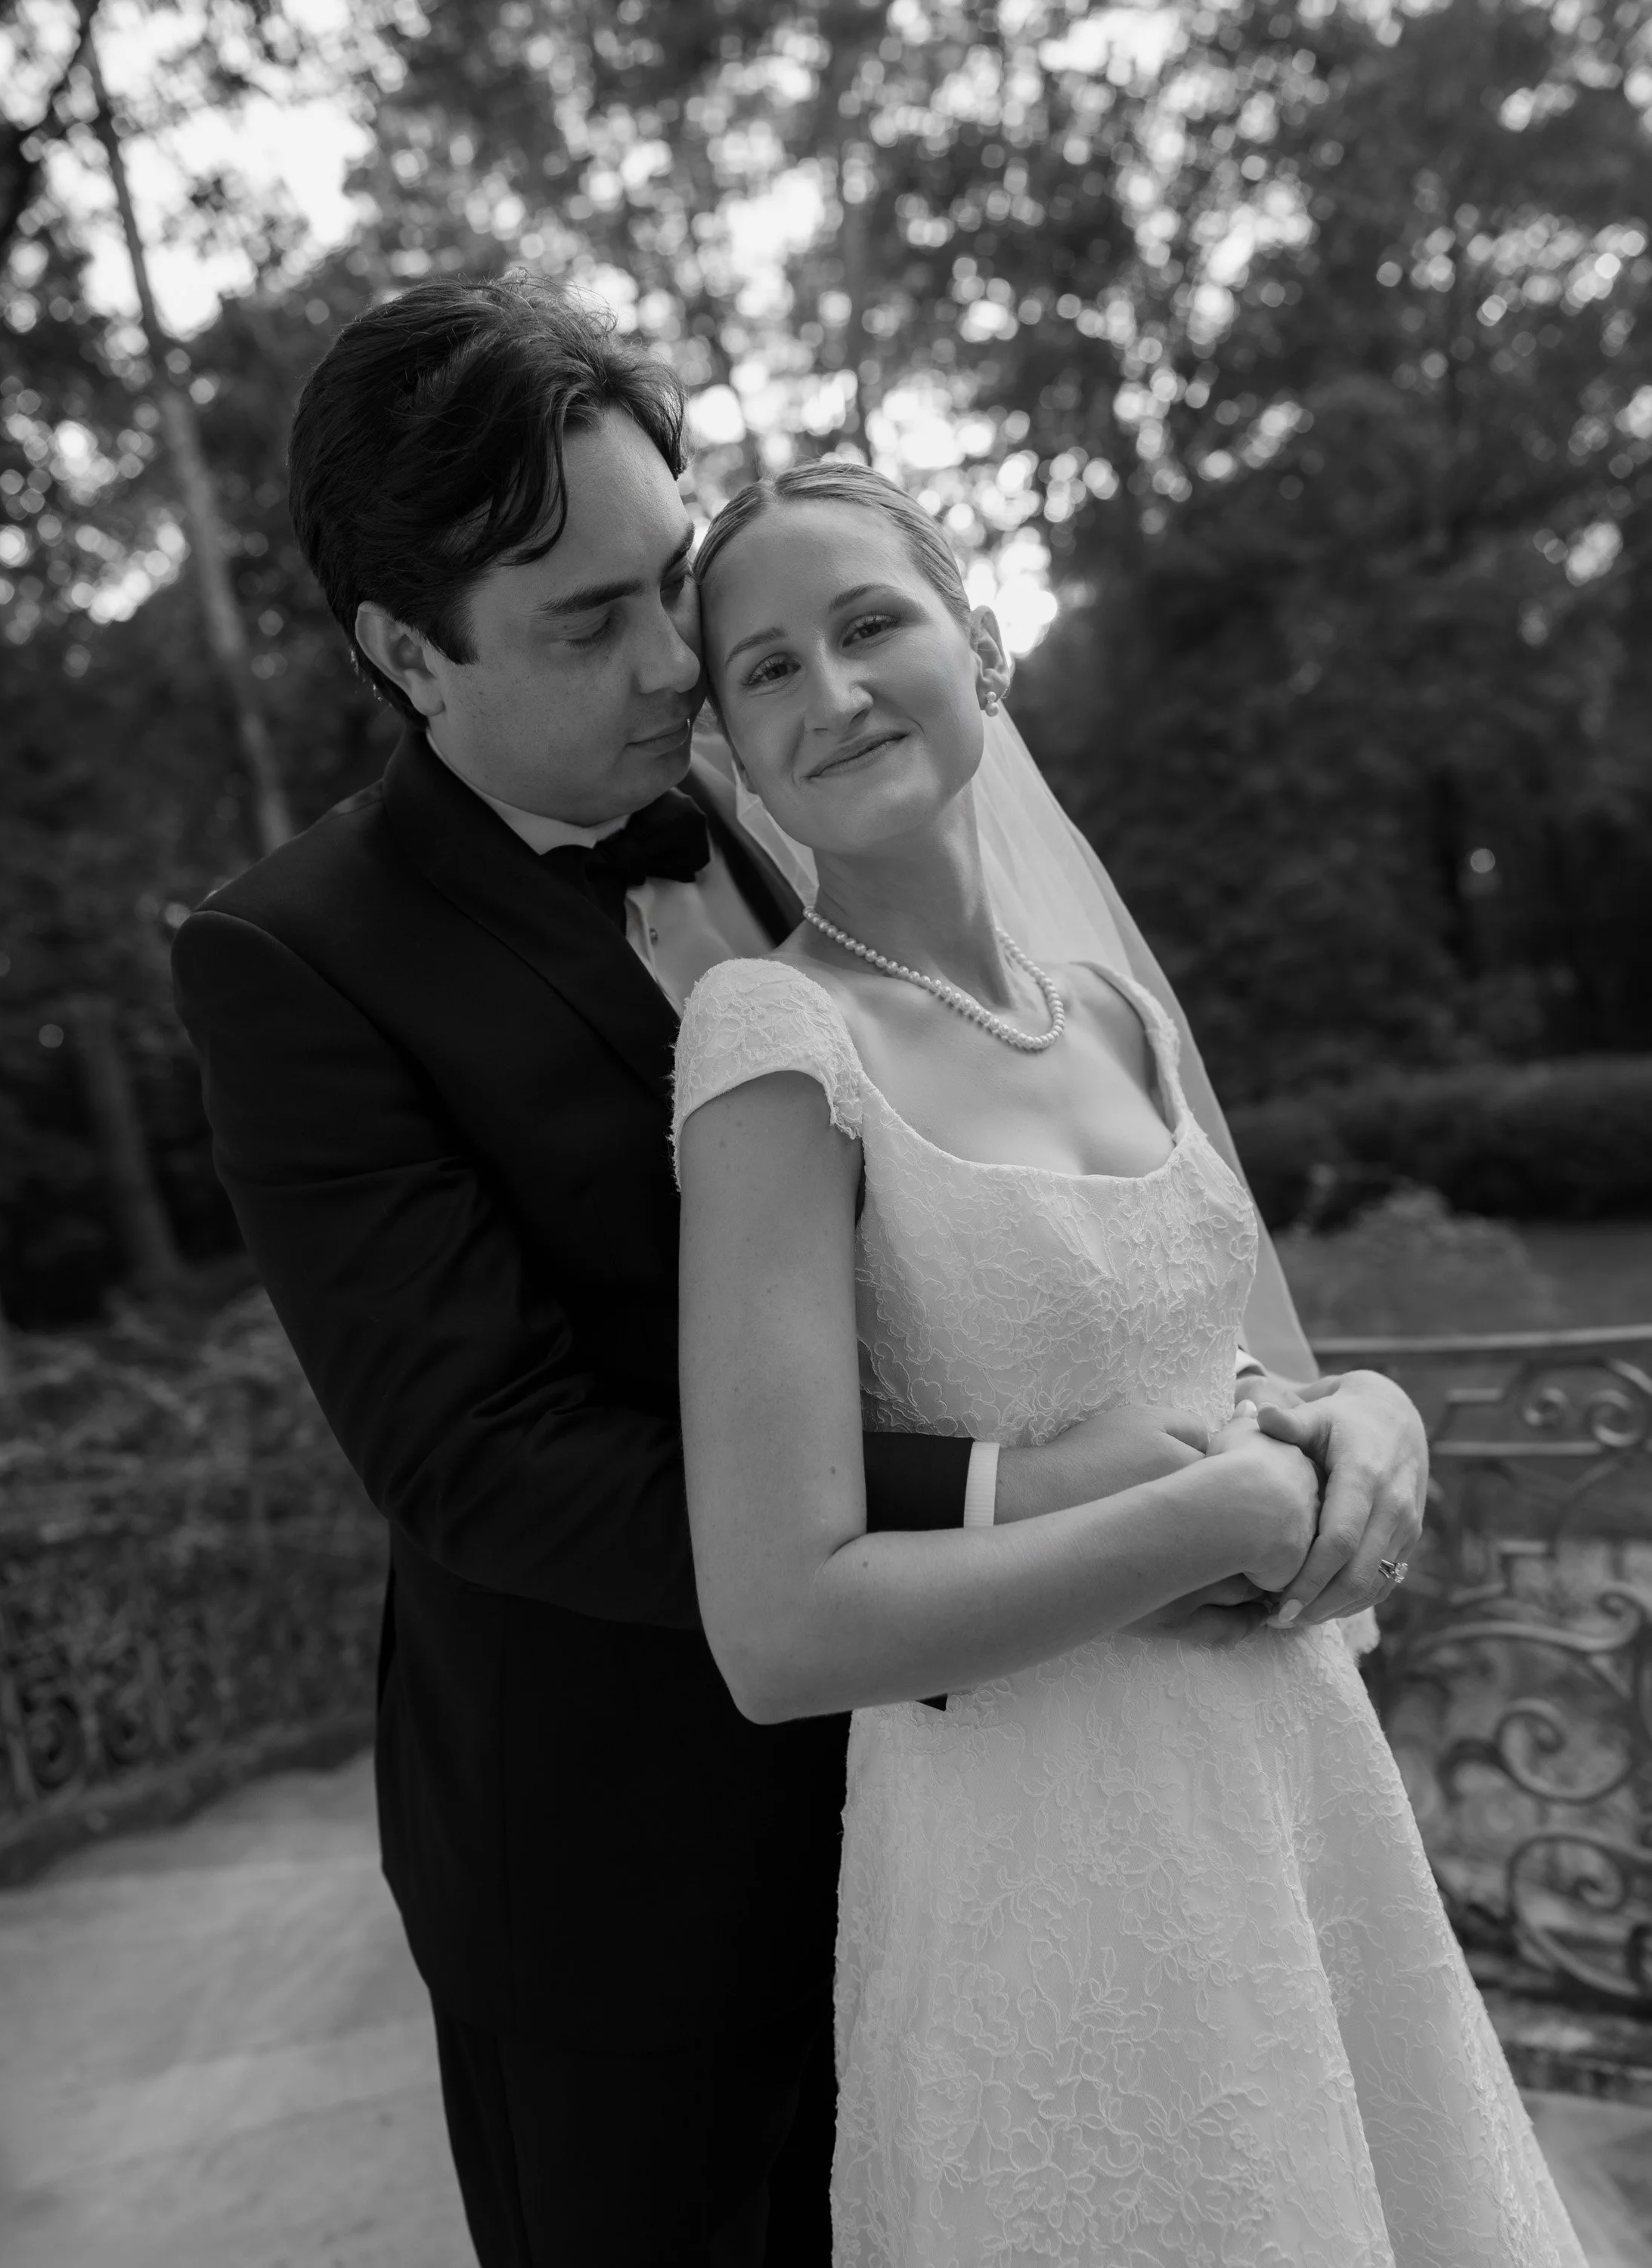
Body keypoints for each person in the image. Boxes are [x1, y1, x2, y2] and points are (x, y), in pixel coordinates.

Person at [173, 272, 1427, 2268]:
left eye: (671, 581)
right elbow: (480, 1455)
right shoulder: (294, 958)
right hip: (627, 1880)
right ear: (409, 651)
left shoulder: (781, 787)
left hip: (995, 1807)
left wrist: (1310, 1409)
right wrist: (1036, 1494)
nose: (677, 661)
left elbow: (1049, 1219)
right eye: (588, 623)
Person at [673, 460, 1585, 2266]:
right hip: (1039, 1853)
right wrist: (1204, 1520)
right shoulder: (773, 1038)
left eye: (870, 624)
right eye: (765, 670)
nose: (830, 691)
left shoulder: (1115, 1011)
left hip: (1300, 1803)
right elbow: (781, 1632)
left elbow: (1272, 1377)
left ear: (983, 647)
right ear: (728, 747)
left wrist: (1375, 1418)